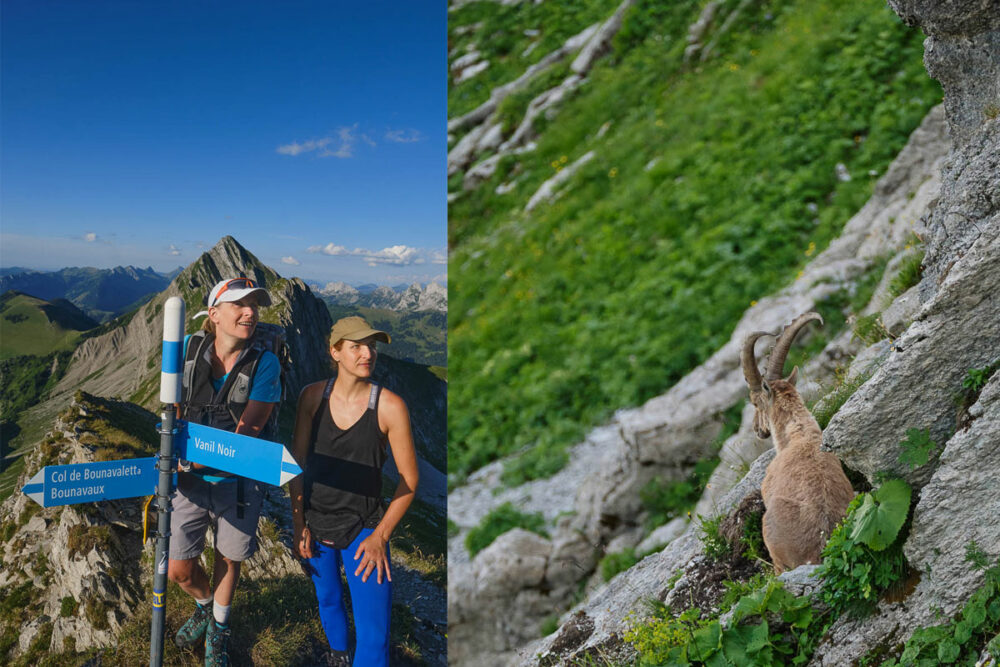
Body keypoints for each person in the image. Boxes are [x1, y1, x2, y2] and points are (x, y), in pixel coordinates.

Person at [289, 316, 419, 666]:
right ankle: (338, 656)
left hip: (365, 529)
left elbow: (409, 480)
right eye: (357, 346)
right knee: (328, 599)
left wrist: (380, 536)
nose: (368, 353)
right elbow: (297, 462)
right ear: (335, 352)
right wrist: (298, 522)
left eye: (372, 346)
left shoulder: (389, 406)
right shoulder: (312, 398)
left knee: (374, 636)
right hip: (316, 523)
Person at [168, 277, 281, 666]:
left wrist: (185, 459)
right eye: (239, 304)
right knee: (179, 569)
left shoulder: (265, 364)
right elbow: (172, 409)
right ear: (214, 314)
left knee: (228, 559)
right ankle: (203, 604)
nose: (250, 312)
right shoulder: (185, 351)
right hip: (189, 482)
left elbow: (245, 435)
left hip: (238, 482)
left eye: (254, 305)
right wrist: (178, 460)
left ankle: (218, 626)